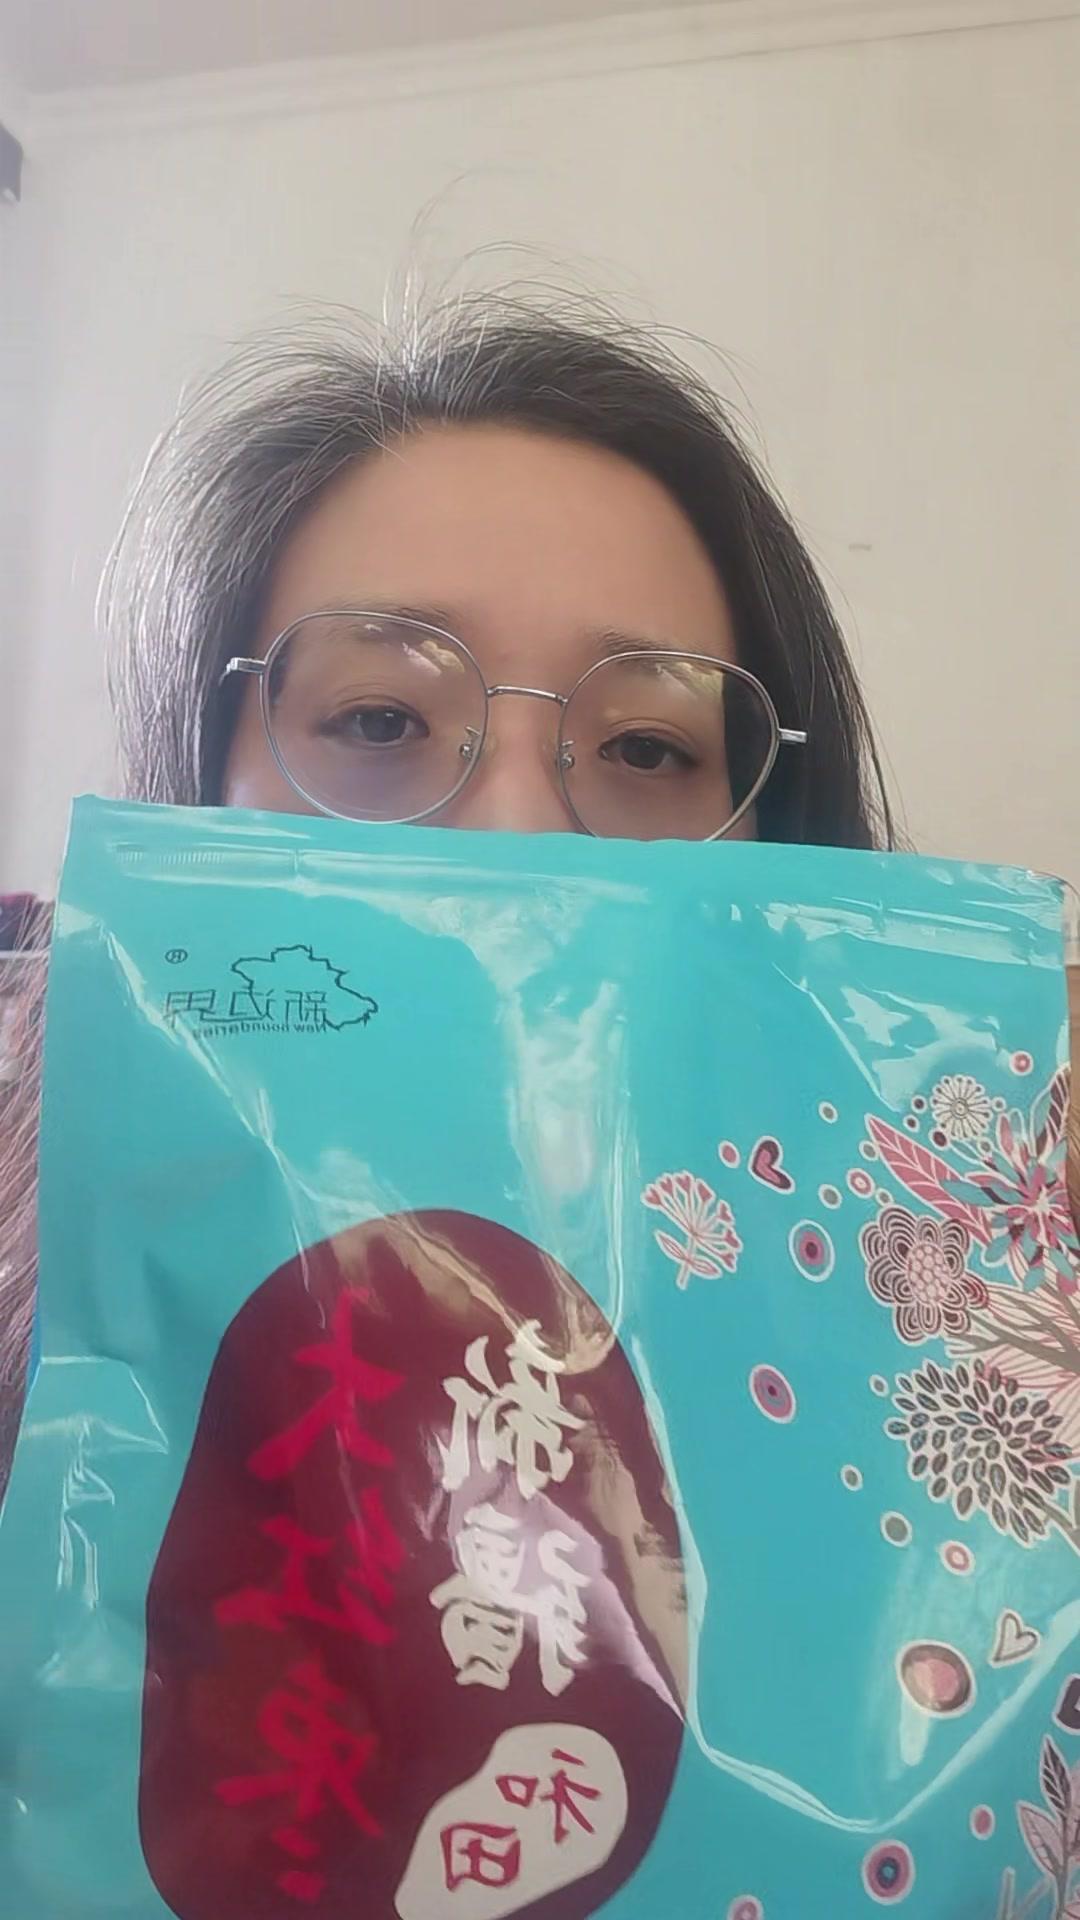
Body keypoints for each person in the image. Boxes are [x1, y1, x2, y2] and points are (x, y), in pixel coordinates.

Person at [0, 297, 1076, 1487]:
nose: (514, 837)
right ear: (194, 796)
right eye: (379, 719)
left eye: (646, 747)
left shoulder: (944, 1387)